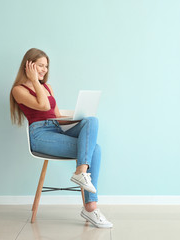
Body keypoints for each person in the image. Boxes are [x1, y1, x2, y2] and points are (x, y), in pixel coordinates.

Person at [9, 48, 112, 228]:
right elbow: (42, 105)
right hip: (40, 135)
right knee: (94, 149)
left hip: (57, 128)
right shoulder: (18, 90)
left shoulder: (47, 87)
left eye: (46, 66)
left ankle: (81, 172)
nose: (44, 70)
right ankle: (90, 207)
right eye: (40, 66)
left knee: (91, 120)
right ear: (29, 65)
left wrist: (75, 121)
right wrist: (34, 81)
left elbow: (56, 115)